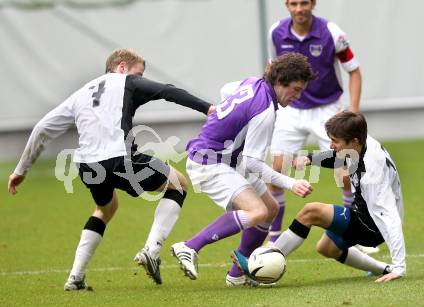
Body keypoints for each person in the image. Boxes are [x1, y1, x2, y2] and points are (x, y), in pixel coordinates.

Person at [7, 48, 214, 290]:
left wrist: (21, 170)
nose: (141, 80)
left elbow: (42, 128)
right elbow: (167, 90)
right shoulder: (127, 82)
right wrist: (207, 108)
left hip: (88, 166)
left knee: (106, 208)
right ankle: (152, 250)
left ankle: (75, 277)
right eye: (139, 74)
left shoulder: (81, 94)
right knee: (178, 183)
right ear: (122, 67)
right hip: (120, 158)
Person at [170, 52, 315, 286]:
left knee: (271, 207)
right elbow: (253, 163)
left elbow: (227, 90)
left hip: (227, 160)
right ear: (280, 81)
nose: (298, 96)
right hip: (209, 162)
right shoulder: (265, 111)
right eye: (295, 89)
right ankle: (189, 246)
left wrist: (227, 116)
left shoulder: (252, 82)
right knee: (257, 211)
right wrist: (291, 183)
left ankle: (237, 275)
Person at [267, 0, 378, 254]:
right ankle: (273, 239)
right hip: (291, 108)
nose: (299, 9)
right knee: (276, 169)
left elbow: (354, 70)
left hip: (327, 108)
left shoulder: (332, 33)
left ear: (313, 4)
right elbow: (273, 71)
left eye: (304, 3)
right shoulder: (276, 32)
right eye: (293, 3)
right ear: (286, 5)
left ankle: (355, 233)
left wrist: (353, 109)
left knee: (345, 169)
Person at [266, 111, 405, 283]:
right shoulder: (362, 142)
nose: (331, 145)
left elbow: (389, 216)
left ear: (353, 141)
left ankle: (266, 262)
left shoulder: (372, 172)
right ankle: (384, 269)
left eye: (335, 141)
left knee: (311, 211)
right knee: (326, 248)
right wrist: (311, 158)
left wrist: (400, 266)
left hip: (373, 226)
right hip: (362, 212)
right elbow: (340, 156)